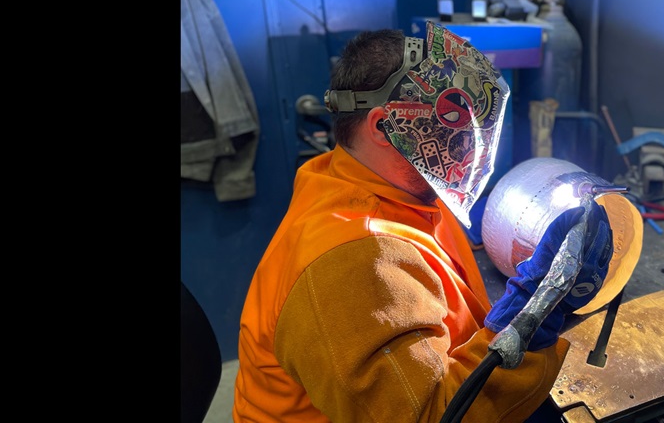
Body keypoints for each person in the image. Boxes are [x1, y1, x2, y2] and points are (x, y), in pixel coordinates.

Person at [232, 21, 614, 422]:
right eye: (453, 120)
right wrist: (536, 306)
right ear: (384, 126)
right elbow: (432, 416)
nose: (473, 145)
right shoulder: (349, 266)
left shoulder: (394, 184)